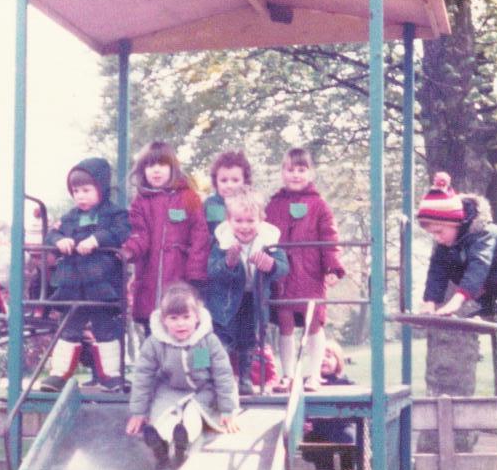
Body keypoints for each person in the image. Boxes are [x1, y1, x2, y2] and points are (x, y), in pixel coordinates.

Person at [39, 157, 131, 392]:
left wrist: (97, 239)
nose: (80, 196)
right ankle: (58, 374)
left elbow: (122, 232)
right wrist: (60, 241)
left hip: (101, 284)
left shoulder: (115, 213)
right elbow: (51, 234)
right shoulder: (69, 217)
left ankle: (111, 376)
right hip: (73, 284)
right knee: (69, 327)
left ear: (101, 188)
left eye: (86, 190)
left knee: (104, 328)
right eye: (76, 191)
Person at [126, 282, 240, 465]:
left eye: (186, 317)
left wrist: (227, 409)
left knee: (192, 414)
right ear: (164, 320)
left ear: (196, 318)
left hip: (203, 390)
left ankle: (183, 441)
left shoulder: (206, 341)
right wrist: (139, 412)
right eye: (173, 318)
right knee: (162, 416)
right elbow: (143, 376)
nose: (181, 323)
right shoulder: (156, 343)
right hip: (170, 389)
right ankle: (160, 443)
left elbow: (222, 374)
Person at [417, 172, 497, 330]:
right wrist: (429, 304)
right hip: (489, 270)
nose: (437, 238)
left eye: (439, 232)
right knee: (451, 268)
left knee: (496, 284)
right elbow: (436, 273)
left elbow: (478, 268)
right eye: (432, 234)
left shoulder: (481, 234)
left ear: (456, 223)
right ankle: (491, 308)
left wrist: (456, 302)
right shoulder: (446, 244)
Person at [265, 147, 345, 391]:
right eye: (290, 170)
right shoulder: (274, 205)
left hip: (311, 272)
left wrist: (333, 268)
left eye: (301, 170)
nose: (296, 175)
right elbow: (265, 233)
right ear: (282, 172)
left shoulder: (319, 205)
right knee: (285, 321)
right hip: (283, 275)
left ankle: (313, 375)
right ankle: (288, 375)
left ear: (310, 173)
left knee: (314, 322)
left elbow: (329, 237)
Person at [121, 141, 211, 335]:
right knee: (153, 328)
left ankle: (192, 365)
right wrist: (129, 250)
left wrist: (195, 274)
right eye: (150, 165)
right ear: (143, 170)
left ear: (172, 168)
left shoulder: (189, 197)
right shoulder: (141, 202)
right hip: (149, 278)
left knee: (184, 326)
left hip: (181, 277)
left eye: (162, 165)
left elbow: (200, 235)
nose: (156, 171)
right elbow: (139, 234)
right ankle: (153, 366)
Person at [207, 187, 289, 395]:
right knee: (224, 339)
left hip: (254, 300)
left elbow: (283, 266)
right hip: (226, 302)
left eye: (250, 221)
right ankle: (224, 381)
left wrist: (270, 265)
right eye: (239, 221)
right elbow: (213, 270)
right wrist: (229, 263)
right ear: (229, 220)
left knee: (249, 340)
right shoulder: (222, 242)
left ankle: (244, 378)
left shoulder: (268, 241)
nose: (244, 226)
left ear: (261, 220)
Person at [301, 338, 357, 470]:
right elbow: (299, 407)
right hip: (318, 432)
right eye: (320, 356)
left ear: (338, 362)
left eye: (329, 356)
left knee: (349, 437)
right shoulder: (308, 383)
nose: (324, 360)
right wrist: (303, 423)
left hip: (340, 428)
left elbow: (356, 406)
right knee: (323, 467)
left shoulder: (345, 383)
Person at [203, 150, 253, 239]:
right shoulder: (211, 204)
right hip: (217, 249)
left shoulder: (251, 203)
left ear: (245, 181)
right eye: (224, 180)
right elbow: (203, 232)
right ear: (216, 181)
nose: (229, 185)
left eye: (235, 180)